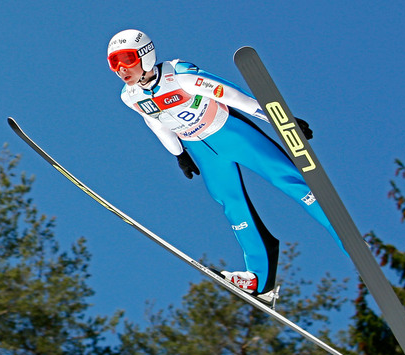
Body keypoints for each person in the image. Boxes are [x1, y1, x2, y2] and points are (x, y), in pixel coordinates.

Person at [107, 29, 344, 303]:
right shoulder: (130, 96)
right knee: (232, 206)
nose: (121, 68)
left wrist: (280, 119)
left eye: (127, 59)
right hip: (203, 150)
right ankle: (260, 280)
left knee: (286, 178)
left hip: (230, 132)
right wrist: (178, 154)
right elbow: (155, 123)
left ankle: (343, 234)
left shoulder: (180, 74)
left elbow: (233, 96)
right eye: (114, 63)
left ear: (145, 56)